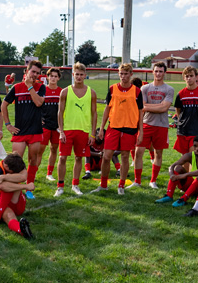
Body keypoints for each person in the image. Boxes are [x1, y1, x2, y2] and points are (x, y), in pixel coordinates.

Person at [94, 63, 144, 195]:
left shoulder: (137, 91)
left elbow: (140, 112)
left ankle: (121, 185)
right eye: (121, 74)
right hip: (113, 127)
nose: (123, 76)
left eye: (126, 74)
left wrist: (141, 131)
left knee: (125, 156)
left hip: (130, 128)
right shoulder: (112, 89)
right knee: (106, 156)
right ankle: (103, 184)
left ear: (131, 74)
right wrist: (101, 127)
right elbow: (107, 109)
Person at [1, 60, 46, 199]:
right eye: (33, 72)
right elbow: (3, 105)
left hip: (35, 131)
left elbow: (38, 103)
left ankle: (29, 188)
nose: (35, 75)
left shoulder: (41, 87)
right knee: (15, 161)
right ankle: (16, 188)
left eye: (37, 73)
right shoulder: (16, 87)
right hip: (20, 131)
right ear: (27, 71)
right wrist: (8, 124)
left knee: (33, 160)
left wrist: (30, 87)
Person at [55, 62, 97, 196]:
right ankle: (60, 187)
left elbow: (94, 114)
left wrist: (93, 134)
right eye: (76, 74)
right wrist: (61, 131)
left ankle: (75, 184)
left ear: (85, 76)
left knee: (79, 158)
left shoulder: (92, 93)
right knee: (62, 158)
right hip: (68, 130)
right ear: (73, 75)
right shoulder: (65, 91)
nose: (79, 77)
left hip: (83, 131)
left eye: (81, 75)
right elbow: (60, 112)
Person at [131, 61, 174, 190]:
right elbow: (142, 107)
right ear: (152, 72)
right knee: (138, 152)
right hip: (146, 123)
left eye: (161, 71)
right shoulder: (145, 88)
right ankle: (137, 181)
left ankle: (153, 180)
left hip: (161, 125)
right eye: (156, 71)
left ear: (164, 73)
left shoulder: (169, 89)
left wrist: (151, 107)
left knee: (158, 153)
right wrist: (158, 106)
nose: (158, 73)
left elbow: (164, 108)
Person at [0, 152, 33, 239]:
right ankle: (21, 230)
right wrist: (25, 186)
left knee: (8, 184)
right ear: (6, 167)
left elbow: (24, 176)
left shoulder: (16, 163)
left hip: (15, 203)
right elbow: (2, 186)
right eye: (14, 172)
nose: (16, 172)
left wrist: (4, 177)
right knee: (9, 214)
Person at [155, 135, 198, 206]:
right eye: (195, 146)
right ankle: (169, 195)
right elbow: (172, 166)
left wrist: (186, 174)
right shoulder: (189, 155)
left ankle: (183, 199)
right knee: (177, 168)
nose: (197, 149)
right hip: (190, 185)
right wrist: (172, 175)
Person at [40, 67, 62, 182]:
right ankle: (32, 173)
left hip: (57, 126)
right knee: (40, 150)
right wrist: (39, 119)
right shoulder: (42, 90)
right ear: (47, 77)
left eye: (55, 76)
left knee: (54, 149)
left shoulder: (62, 91)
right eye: (51, 76)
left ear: (58, 78)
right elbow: (36, 106)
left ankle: (49, 173)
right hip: (45, 125)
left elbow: (64, 109)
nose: (53, 78)